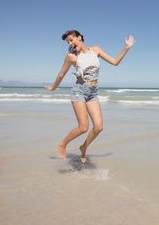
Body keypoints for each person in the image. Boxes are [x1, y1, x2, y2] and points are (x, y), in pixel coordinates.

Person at [45, 30, 135, 163]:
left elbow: (115, 62)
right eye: (68, 42)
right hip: (79, 91)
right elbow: (60, 74)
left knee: (98, 127)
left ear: (79, 37)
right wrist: (53, 87)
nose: (70, 43)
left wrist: (126, 48)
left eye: (71, 39)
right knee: (83, 127)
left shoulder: (96, 50)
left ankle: (83, 147)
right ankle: (62, 144)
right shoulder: (71, 56)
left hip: (93, 92)